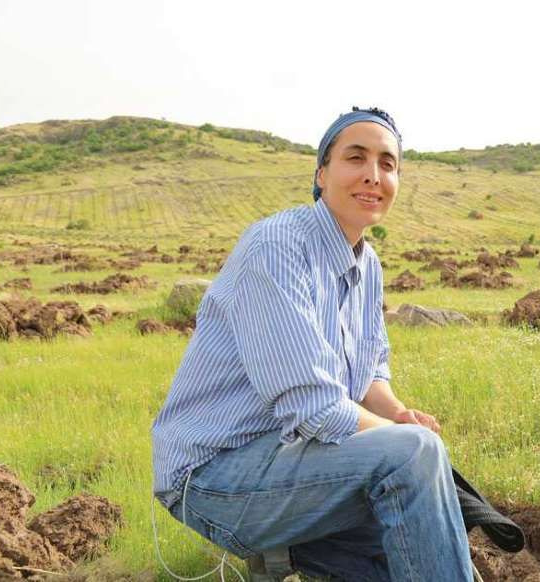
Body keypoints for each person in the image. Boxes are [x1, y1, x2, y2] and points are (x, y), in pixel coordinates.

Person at [151, 107, 475, 581]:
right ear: (322, 173)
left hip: (292, 461)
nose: (373, 175)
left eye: (388, 164)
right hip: (213, 477)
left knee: (421, 538)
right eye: (356, 158)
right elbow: (316, 408)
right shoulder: (278, 245)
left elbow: (368, 376)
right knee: (412, 458)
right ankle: (292, 545)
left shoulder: (368, 266)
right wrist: (407, 443)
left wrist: (398, 414)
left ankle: (294, 555)